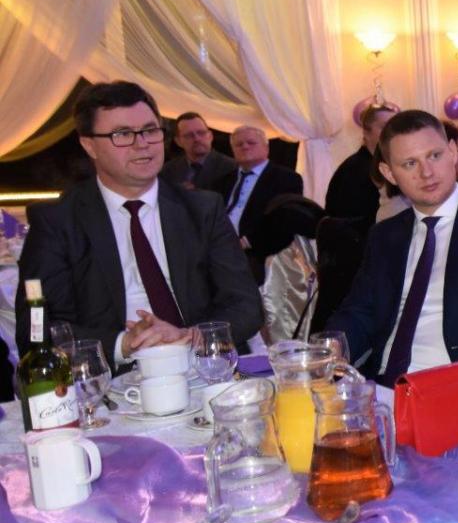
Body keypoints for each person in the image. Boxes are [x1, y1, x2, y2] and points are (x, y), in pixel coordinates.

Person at [16, 81, 262, 367]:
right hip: (112, 376)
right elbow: (35, 330)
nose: (142, 143)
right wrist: (124, 344)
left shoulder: (202, 209)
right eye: (122, 134)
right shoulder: (58, 221)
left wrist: (189, 337)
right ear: (89, 145)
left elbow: (246, 305)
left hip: (203, 365)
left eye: (149, 130)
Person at [326, 110, 458, 386]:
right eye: (410, 163)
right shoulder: (385, 236)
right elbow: (358, 311)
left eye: (434, 156)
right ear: (389, 173)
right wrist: (332, 348)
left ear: (453, 152)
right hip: (382, 387)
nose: (426, 173)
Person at [219, 125, 304, 283]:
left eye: (251, 142)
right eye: (239, 144)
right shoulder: (223, 181)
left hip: (257, 253)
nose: (245, 147)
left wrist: (247, 242)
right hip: (219, 249)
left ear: (266, 147)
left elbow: (285, 221)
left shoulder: (286, 179)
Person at [325, 103, 397, 222]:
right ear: (366, 132)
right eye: (385, 127)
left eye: (396, 127)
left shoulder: (379, 164)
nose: (393, 133)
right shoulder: (357, 170)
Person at [161, 112, 236, 191]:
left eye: (201, 133)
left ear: (210, 136)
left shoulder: (231, 168)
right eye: (189, 135)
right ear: (178, 141)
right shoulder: (168, 170)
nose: (197, 139)